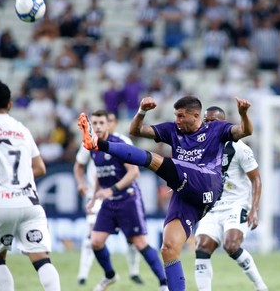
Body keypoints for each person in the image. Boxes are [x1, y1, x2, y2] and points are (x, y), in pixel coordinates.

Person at [78, 95, 253, 290]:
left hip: (206, 182)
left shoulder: (216, 128)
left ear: (196, 116)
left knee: (155, 160)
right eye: (175, 116)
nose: (177, 120)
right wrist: (142, 111)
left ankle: (97, 143)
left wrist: (244, 114)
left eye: (181, 116)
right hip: (184, 192)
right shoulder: (173, 130)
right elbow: (136, 131)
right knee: (168, 249)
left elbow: (245, 130)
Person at [0, 81, 61, 291]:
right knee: (41, 259)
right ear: (9, 105)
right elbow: (40, 168)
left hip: (0, 203)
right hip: (29, 203)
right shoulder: (22, 129)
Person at [76, 109, 168, 291]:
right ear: (91, 126)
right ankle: (110, 276)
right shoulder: (92, 146)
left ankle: (164, 283)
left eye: (102, 123)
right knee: (95, 241)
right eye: (94, 123)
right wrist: (94, 198)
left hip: (128, 199)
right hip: (109, 201)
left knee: (140, 243)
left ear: (109, 124)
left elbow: (134, 172)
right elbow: (99, 175)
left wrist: (111, 190)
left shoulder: (118, 144)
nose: (98, 126)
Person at [194, 106, 268, 291]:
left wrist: (254, 209)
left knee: (231, 245)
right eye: (206, 121)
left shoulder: (239, 148)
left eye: (214, 121)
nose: (209, 125)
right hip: (211, 208)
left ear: (224, 124)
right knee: (202, 247)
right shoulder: (199, 148)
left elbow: (256, 179)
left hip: (236, 206)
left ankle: (260, 286)